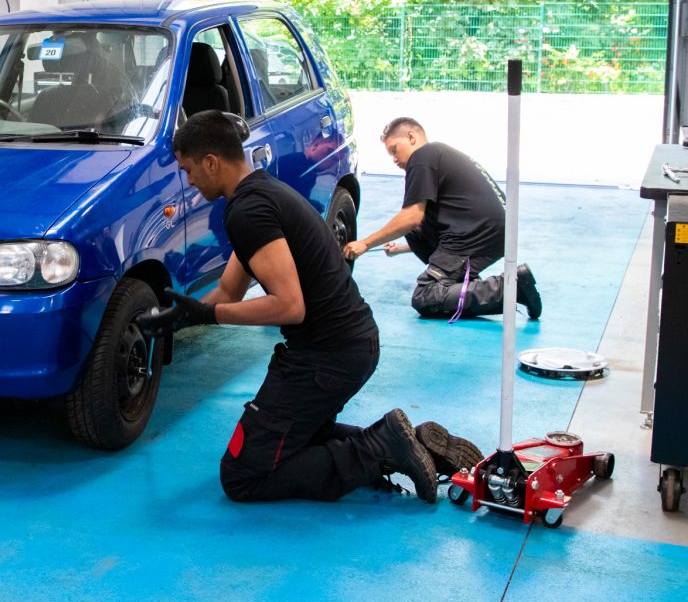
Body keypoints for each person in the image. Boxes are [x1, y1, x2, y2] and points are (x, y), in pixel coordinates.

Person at [143, 110, 481, 503]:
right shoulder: (262, 193)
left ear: (212, 162)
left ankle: (380, 450)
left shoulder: (249, 212)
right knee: (300, 438)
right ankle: (413, 442)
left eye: (188, 170)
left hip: (325, 358)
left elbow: (289, 307)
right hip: (349, 345)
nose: (189, 182)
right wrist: (180, 317)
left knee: (242, 475)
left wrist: (206, 315)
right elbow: (230, 291)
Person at [343, 117, 542, 321]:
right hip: (492, 230)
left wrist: (365, 243)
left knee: (425, 296)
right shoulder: (439, 154)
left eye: (394, 150)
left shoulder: (422, 157)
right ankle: (462, 286)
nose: (394, 159)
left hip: (476, 232)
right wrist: (403, 248)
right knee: (415, 231)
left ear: (411, 137)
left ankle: (510, 288)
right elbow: (424, 222)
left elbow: (410, 216)